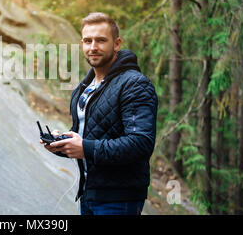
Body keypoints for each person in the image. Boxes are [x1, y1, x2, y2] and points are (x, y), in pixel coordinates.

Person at [41, 12, 158, 215]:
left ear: (117, 44)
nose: (93, 46)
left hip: (119, 200)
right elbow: (92, 135)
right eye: (88, 40)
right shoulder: (85, 87)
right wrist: (61, 144)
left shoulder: (134, 84)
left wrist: (85, 148)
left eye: (101, 40)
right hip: (89, 195)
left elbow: (141, 143)